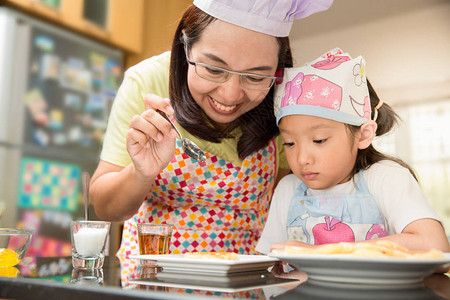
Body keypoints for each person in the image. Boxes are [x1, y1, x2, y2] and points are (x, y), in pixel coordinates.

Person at [89, 0, 334, 257]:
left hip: (247, 282)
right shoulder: (148, 80)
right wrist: (141, 173)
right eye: (214, 69)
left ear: (278, 71)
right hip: (155, 280)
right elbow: (107, 209)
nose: (230, 95)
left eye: (255, 77)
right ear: (186, 46)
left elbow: (290, 206)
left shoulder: (284, 98)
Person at [256, 48, 450, 257]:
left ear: (363, 135)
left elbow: (435, 245)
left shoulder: (386, 177)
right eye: (290, 143)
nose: (302, 159)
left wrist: (323, 252)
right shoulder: (288, 188)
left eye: (319, 140)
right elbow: (270, 260)